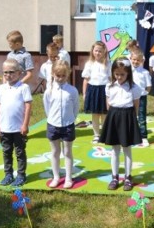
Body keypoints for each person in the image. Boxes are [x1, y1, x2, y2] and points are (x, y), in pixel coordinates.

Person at [100, 57, 143, 191]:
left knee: (127, 149)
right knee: (114, 149)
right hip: (114, 117)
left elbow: (136, 105)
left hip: (128, 117)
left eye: (122, 74)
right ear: (112, 72)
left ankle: (128, 177)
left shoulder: (134, 88)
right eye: (116, 74)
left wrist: (131, 119)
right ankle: (114, 177)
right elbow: (109, 104)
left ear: (128, 73)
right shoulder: (109, 86)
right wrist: (112, 117)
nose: (119, 77)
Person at [0, 59, 33, 187]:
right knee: (6, 151)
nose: (8, 75)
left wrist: (25, 124)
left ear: (19, 73)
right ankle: (8, 174)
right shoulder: (1, 88)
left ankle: (21, 175)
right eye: (5, 72)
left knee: (20, 152)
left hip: (18, 128)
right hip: (4, 128)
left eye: (11, 72)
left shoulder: (23, 88)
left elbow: (28, 106)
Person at [43, 60, 79, 189]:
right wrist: (52, 119)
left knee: (67, 152)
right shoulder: (49, 91)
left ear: (67, 74)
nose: (60, 78)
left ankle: (68, 177)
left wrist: (71, 119)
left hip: (68, 125)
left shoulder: (72, 91)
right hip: (53, 125)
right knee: (55, 152)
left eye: (63, 75)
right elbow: (47, 107)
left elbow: (76, 107)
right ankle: (56, 176)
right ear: (53, 74)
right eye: (58, 75)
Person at [81, 41, 111, 143]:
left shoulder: (108, 64)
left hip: (104, 90)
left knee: (104, 114)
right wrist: (84, 93)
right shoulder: (89, 64)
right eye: (96, 51)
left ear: (104, 52)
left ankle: (104, 134)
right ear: (92, 51)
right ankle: (96, 135)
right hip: (93, 90)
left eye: (100, 51)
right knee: (95, 114)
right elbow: (86, 79)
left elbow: (111, 79)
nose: (97, 53)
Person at [130, 48, 152, 147]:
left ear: (141, 61)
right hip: (129, 98)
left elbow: (149, 86)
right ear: (130, 59)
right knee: (130, 116)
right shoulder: (128, 71)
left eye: (138, 60)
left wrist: (144, 93)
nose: (135, 62)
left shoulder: (145, 73)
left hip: (141, 98)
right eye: (134, 59)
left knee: (142, 117)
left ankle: (143, 137)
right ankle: (131, 136)